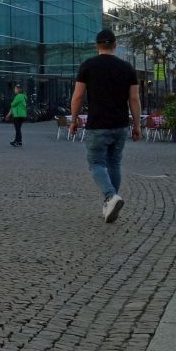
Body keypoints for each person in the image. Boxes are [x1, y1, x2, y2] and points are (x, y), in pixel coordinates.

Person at [70, 28, 141, 223]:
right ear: (115, 46)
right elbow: (134, 99)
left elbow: (77, 97)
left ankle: (110, 196)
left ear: (97, 46)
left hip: (97, 124)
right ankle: (110, 203)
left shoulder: (88, 66)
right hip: (120, 125)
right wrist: (137, 125)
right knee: (114, 163)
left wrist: (73, 120)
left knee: (96, 163)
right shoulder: (127, 68)